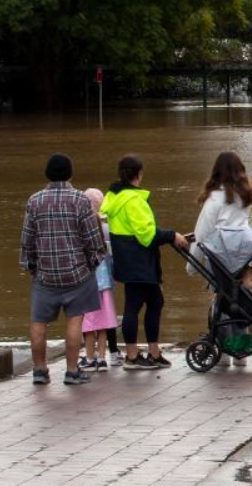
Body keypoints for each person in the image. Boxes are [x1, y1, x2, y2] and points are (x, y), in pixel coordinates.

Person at [19, 153, 105, 386]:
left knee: (39, 322)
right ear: (70, 173)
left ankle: (39, 370)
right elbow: (92, 239)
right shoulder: (80, 200)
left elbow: (27, 239)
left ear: (47, 173)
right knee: (74, 322)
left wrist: (31, 267)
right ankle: (71, 371)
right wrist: (92, 263)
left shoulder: (34, 201)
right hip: (77, 272)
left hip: (45, 274)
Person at [101, 154, 188, 370]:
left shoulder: (114, 198)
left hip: (127, 259)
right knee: (135, 306)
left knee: (153, 302)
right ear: (139, 174)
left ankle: (152, 352)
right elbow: (147, 235)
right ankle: (132, 356)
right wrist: (171, 235)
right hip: (139, 261)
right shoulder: (134, 200)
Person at [190, 152, 252, 365]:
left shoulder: (214, 200)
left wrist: (192, 264)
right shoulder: (245, 197)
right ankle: (242, 353)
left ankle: (224, 353)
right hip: (242, 256)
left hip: (219, 258)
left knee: (221, 301)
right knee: (240, 299)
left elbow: (201, 234)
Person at [77, 188, 118, 372]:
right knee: (103, 322)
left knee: (87, 323)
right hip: (105, 282)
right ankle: (102, 358)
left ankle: (89, 357)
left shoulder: (81, 226)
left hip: (87, 281)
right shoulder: (107, 227)